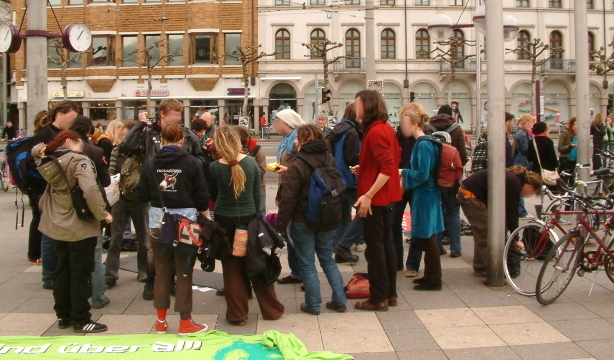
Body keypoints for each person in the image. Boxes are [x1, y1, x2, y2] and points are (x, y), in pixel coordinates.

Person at [122, 98, 204, 300]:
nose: (178, 118)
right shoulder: (149, 133)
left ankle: (172, 281)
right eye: (175, 114)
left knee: (178, 245)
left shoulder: (186, 133)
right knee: (156, 245)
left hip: (181, 199)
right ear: (163, 114)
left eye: (180, 114)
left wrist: (187, 172)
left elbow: (200, 157)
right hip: (158, 197)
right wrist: (140, 123)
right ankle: (152, 281)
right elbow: (128, 146)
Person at [35, 130, 112, 333]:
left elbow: (34, 151)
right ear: (70, 142)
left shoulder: (49, 160)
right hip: (79, 224)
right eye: (80, 144)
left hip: (57, 223)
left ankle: (63, 315)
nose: (83, 148)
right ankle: (81, 318)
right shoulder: (78, 161)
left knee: (62, 270)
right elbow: (90, 189)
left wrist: (41, 149)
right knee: (81, 273)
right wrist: (102, 213)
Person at [137, 124, 210, 336]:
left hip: (158, 222)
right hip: (185, 224)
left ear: (162, 139)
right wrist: (205, 217)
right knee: (184, 272)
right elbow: (202, 195)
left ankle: (160, 322)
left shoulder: (150, 163)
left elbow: (141, 195)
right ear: (182, 140)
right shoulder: (192, 162)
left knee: (161, 272)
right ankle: (185, 323)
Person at [210, 126, 284, 326]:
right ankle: (271, 309)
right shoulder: (251, 163)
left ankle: (237, 315)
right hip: (249, 221)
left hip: (225, 222)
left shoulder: (215, 167)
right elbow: (256, 195)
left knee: (232, 271)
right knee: (258, 265)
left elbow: (215, 197)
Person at [277, 124, 348, 315]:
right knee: (328, 260)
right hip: (328, 218)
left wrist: (281, 226)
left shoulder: (297, 164)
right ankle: (340, 300)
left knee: (307, 263)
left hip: (303, 219)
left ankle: (313, 304)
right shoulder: (329, 159)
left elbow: (288, 199)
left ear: (301, 140)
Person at [353, 90, 401, 311]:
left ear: (368, 105)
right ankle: (389, 293)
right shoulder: (384, 128)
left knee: (376, 249)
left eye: (358, 104)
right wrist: (363, 169)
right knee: (385, 245)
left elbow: (388, 167)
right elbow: (385, 163)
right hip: (385, 196)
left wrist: (368, 195)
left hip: (375, 199)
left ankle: (378, 297)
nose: (355, 108)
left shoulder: (375, 131)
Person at [458, 166, 542, 277]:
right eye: (532, 193)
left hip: (472, 194)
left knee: (485, 230)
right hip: (471, 196)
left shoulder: (514, 180)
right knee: (484, 231)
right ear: (530, 186)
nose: (528, 196)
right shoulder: (515, 184)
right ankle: (482, 267)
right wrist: (515, 238)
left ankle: (485, 265)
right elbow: (512, 212)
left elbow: (507, 211)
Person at [30, 101, 80, 288]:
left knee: (54, 233)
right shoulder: (46, 133)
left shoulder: (58, 134)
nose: (73, 121)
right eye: (72, 116)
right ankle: (49, 276)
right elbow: (33, 160)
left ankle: (54, 273)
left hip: (56, 189)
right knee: (49, 234)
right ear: (60, 113)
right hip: (46, 188)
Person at [400, 102, 444, 291]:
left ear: (415, 124)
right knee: (427, 236)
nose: (403, 128)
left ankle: (434, 279)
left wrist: (403, 172)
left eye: (405, 124)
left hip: (425, 195)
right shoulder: (425, 142)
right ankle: (430, 276)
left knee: (427, 237)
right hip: (427, 194)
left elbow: (422, 174)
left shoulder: (424, 144)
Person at [70, 116, 112, 309]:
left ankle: (70, 300)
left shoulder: (60, 150)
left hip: (66, 209)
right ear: (89, 130)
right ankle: (97, 296)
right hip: (90, 207)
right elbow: (105, 181)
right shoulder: (94, 151)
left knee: (69, 256)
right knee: (95, 254)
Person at [105, 121, 149, 287]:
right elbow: (111, 171)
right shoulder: (117, 151)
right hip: (121, 198)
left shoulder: (144, 152)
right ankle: (110, 273)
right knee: (115, 237)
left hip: (140, 199)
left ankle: (143, 270)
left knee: (143, 237)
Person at [272, 109, 305, 285]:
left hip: (294, 192)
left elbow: (299, 168)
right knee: (290, 233)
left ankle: (302, 273)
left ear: (286, 123)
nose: (274, 125)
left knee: (293, 233)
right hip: (286, 188)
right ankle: (297, 272)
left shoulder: (296, 140)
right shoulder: (286, 140)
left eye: (276, 122)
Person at [330, 104, 363, 264]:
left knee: (343, 217)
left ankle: (339, 251)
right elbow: (351, 158)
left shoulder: (338, 129)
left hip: (337, 178)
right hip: (349, 179)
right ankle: (344, 245)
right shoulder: (351, 132)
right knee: (363, 213)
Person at [234, 126, 267, 215]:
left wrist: (243, 175)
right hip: (240, 188)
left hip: (258, 187)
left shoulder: (256, 149)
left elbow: (262, 170)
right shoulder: (233, 149)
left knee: (259, 214)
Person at [513, 114, 536, 220]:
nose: (533, 125)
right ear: (526, 122)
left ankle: (521, 210)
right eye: (531, 122)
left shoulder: (521, 132)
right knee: (521, 187)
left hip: (520, 161)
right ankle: (521, 211)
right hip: (521, 162)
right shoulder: (523, 134)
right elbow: (525, 149)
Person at [558, 117, 578, 184]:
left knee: (573, 180)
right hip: (566, 160)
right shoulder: (564, 134)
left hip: (576, 161)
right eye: (574, 124)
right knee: (564, 180)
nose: (576, 126)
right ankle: (563, 193)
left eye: (577, 124)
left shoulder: (579, 135)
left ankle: (571, 193)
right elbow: (560, 148)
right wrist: (570, 146)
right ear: (571, 125)